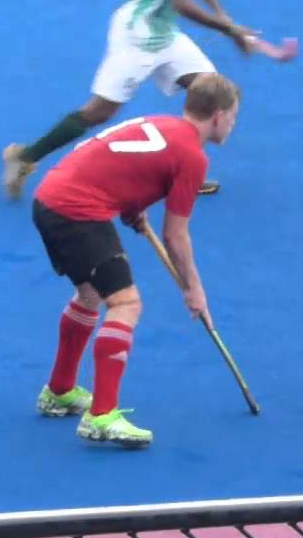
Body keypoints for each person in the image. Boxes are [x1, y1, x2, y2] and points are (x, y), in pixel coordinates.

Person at [2, 0, 256, 200]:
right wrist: (229, 29)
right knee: (98, 113)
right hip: (138, 37)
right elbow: (181, 2)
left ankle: (184, 170)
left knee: (208, 92)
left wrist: (222, 14)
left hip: (163, 33)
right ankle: (24, 157)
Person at [31, 72, 240, 447]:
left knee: (90, 295)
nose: (233, 125)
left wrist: (131, 204)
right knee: (125, 303)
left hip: (50, 199)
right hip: (78, 211)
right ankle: (101, 417)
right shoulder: (193, 156)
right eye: (234, 117)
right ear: (219, 115)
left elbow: (119, 164)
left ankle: (60, 391)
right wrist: (194, 289)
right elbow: (175, 234)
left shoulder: (160, 124)